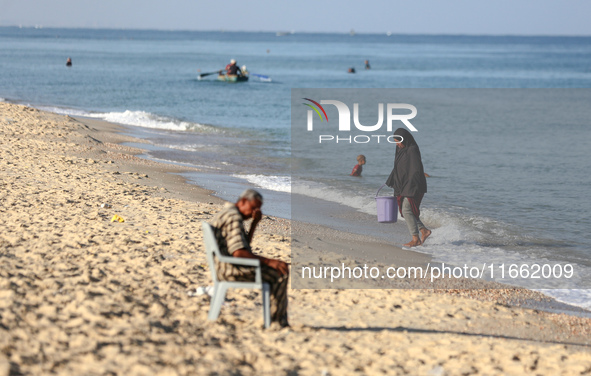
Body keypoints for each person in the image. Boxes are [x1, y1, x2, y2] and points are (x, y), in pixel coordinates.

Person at [209, 189, 289, 327]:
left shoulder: (228, 213)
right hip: (230, 270)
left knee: (276, 267)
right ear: (243, 201)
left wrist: (254, 223)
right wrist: (269, 261)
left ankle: (275, 319)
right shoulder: (233, 217)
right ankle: (277, 321)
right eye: (253, 208)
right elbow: (239, 253)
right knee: (279, 273)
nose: (253, 212)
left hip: (223, 266)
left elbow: (244, 246)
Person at [385, 128, 431, 247]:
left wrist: (409, 187)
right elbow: (397, 167)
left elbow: (416, 171)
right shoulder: (400, 149)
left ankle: (415, 239)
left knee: (406, 210)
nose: (397, 144)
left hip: (414, 185)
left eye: (398, 141)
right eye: (395, 141)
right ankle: (424, 231)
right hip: (404, 185)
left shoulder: (412, 150)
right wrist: (390, 181)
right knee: (407, 211)